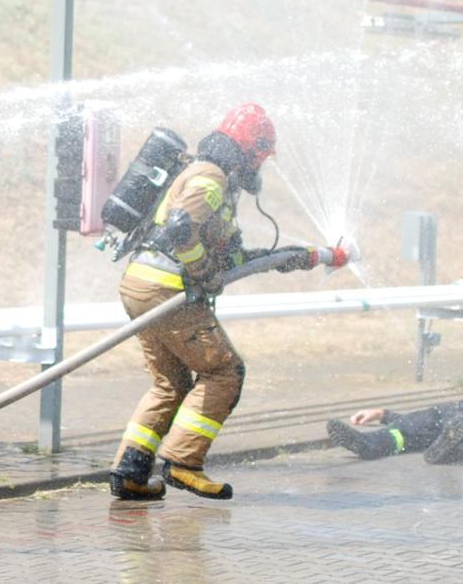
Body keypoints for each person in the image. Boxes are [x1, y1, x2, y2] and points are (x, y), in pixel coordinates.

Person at [108, 103, 350, 501]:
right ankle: (184, 463)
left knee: (170, 383)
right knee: (225, 372)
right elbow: (181, 231)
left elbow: (232, 256)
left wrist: (309, 256)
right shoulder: (210, 178)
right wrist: (202, 270)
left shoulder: (206, 175)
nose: (260, 166)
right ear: (251, 149)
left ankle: (130, 471)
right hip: (169, 290)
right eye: (261, 156)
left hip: (140, 284)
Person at [326, 397, 463, 464]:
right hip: (439, 415)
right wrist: (382, 414)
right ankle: (368, 444)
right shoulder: (461, 403)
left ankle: (448, 449)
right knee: (406, 429)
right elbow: (408, 420)